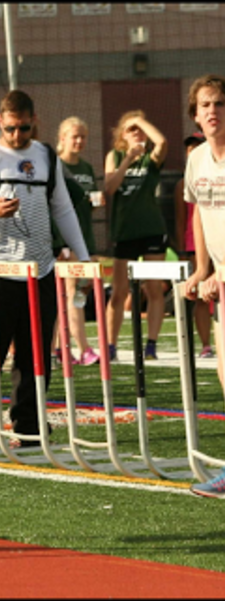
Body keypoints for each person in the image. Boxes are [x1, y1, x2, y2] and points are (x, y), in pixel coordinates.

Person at [0, 90, 90, 451]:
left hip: (39, 268)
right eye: (11, 128)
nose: (17, 136)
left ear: (34, 122)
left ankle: (28, 423)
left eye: (24, 128)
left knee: (35, 355)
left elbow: (63, 209)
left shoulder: (46, 156)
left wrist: (84, 256)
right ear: (1, 121)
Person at [183, 74, 225, 500]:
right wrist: (201, 269)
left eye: (220, 103)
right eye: (206, 104)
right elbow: (198, 212)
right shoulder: (196, 159)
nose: (214, 110)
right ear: (196, 115)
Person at [103, 110, 169, 362]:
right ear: (122, 134)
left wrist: (140, 120)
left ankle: (151, 345)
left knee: (153, 288)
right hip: (125, 232)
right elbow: (109, 188)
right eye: (131, 129)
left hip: (152, 230)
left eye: (140, 129)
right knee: (119, 292)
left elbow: (162, 142)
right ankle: (111, 346)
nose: (137, 133)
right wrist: (128, 158)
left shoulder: (151, 160)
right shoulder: (116, 156)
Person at [52, 116, 102, 366]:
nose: (80, 141)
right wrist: (62, 242)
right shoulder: (57, 166)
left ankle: (62, 349)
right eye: (75, 136)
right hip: (66, 241)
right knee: (70, 293)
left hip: (86, 238)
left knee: (77, 293)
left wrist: (94, 202)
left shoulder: (86, 168)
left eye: (83, 136)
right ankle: (83, 349)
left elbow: (84, 205)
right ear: (62, 139)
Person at [174, 132, 214, 360]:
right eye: (189, 148)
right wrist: (181, 250)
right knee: (200, 296)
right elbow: (182, 220)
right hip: (194, 245)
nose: (192, 151)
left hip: (218, 241)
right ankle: (206, 344)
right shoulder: (183, 184)